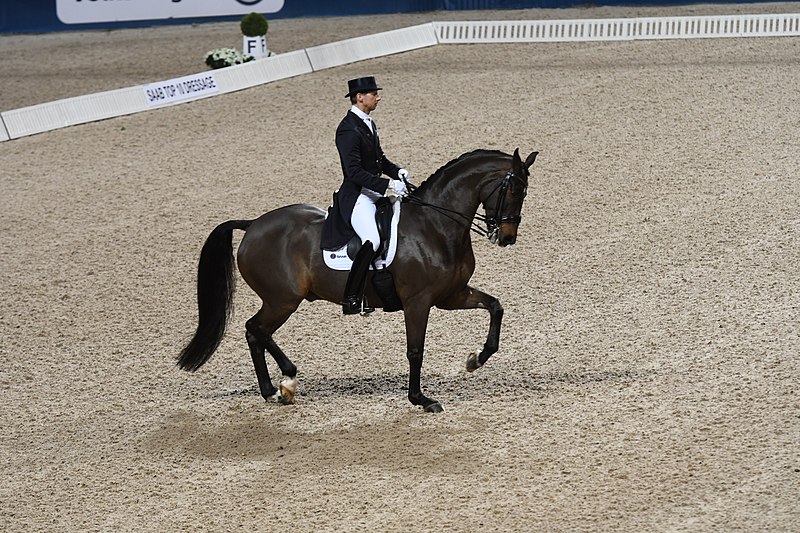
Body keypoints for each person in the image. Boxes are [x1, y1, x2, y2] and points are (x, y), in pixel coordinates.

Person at [320, 76, 411, 315]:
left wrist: (397, 171)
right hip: (357, 196)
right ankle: (352, 297)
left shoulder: (367, 123)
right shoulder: (347, 130)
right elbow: (353, 172)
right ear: (360, 97)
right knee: (373, 239)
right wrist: (387, 185)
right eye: (374, 94)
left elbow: (380, 159)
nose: (378, 98)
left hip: (373, 191)